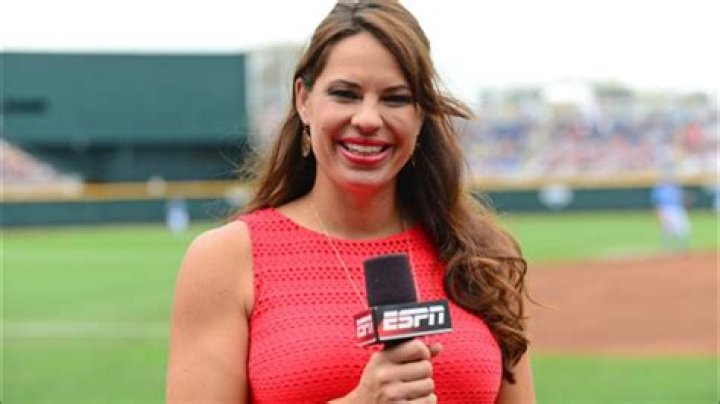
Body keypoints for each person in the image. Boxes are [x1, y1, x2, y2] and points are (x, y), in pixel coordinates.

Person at [166, 1, 535, 402]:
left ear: (421, 115)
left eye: (395, 98)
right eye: (345, 94)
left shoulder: (482, 259)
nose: (368, 119)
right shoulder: (227, 259)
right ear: (304, 100)